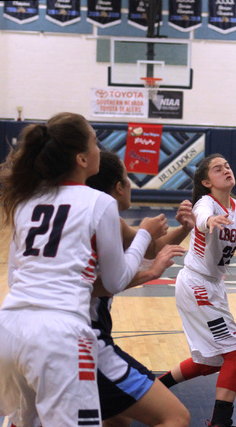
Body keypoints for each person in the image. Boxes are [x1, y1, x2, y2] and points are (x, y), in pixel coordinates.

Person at [0, 113, 167, 426]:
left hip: (7, 330)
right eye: (96, 142)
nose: (100, 149)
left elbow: (13, 278)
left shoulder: (25, 201)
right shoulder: (99, 202)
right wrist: (145, 236)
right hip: (60, 336)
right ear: (82, 158)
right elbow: (116, 280)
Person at [86, 150, 191, 427]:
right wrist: (151, 272)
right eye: (128, 179)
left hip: (55, 333)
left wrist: (183, 228)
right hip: (86, 338)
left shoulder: (103, 219)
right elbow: (102, 285)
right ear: (119, 187)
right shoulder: (101, 218)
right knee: (176, 417)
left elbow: (149, 247)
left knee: (118, 418)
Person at [157, 154, 236, 427]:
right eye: (217, 168)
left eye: (228, 165)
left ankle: (153, 389)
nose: (226, 169)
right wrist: (208, 222)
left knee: (210, 361)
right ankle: (220, 423)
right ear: (206, 182)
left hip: (214, 285)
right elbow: (200, 217)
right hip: (197, 284)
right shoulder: (206, 203)